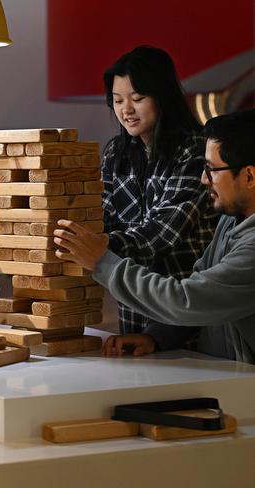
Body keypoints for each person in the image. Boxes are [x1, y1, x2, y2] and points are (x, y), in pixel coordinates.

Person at [53, 109, 255, 364]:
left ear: (249, 176)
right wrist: (157, 337)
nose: (203, 179)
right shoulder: (231, 220)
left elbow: (187, 299)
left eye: (212, 169)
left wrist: (102, 262)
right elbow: (208, 304)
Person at [101, 45, 217, 333]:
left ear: (162, 97)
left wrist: (97, 250)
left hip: (185, 310)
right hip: (132, 309)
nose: (126, 110)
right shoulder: (117, 152)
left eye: (137, 98)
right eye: (117, 101)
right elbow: (100, 214)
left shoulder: (195, 150)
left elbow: (165, 231)